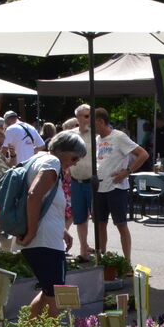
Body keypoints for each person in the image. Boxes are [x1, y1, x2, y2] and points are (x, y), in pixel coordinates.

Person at [15, 130, 89, 318]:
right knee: (54, 296)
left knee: (48, 292)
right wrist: (32, 231)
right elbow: (34, 195)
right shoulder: (52, 163)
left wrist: (62, 230)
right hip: (44, 241)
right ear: (63, 151)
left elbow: (44, 203)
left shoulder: (39, 159)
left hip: (45, 239)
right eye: (74, 157)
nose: (75, 162)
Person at [92, 107, 148, 264]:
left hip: (116, 188)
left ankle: (127, 262)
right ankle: (101, 259)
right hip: (99, 187)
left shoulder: (118, 136)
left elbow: (143, 154)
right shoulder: (96, 140)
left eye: (92, 123)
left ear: (101, 121)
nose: (91, 127)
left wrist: (127, 171)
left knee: (121, 225)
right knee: (100, 224)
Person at [67, 103, 96, 260]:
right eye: (86, 116)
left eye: (90, 116)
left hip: (92, 182)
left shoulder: (96, 134)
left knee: (97, 218)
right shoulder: (70, 135)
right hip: (76, 181)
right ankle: (83, 249)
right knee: (79, 218)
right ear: (77, 117)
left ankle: (100, 251)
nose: (89, 119)